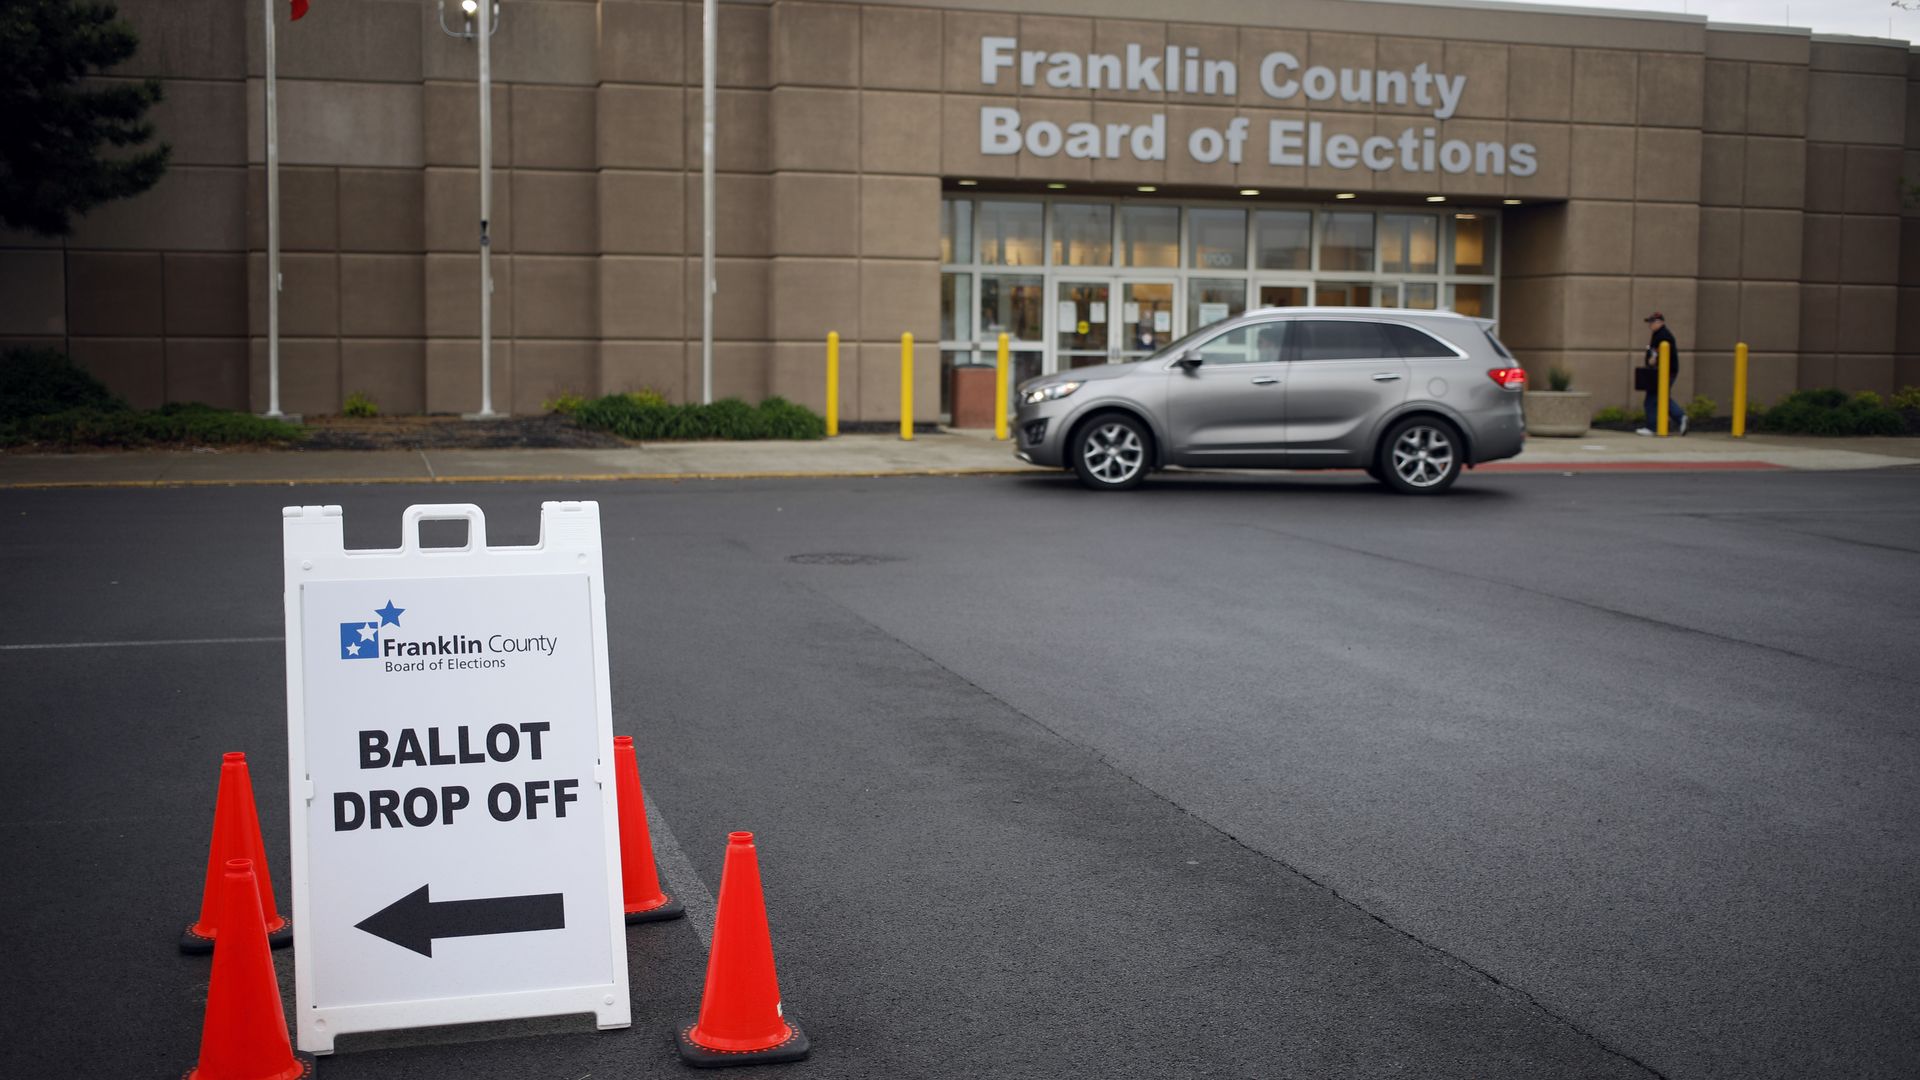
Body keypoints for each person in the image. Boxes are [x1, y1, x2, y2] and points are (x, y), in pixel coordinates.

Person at [1638, 312, 1687, 436]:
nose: (1650, 325)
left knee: (1651, 399)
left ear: (1661, 322)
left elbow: (1659, 352)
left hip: (1664, 372)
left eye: (1652, 322)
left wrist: (1654, 359)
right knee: (1661, 397)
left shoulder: (1663, 335)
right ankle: (1680, 417)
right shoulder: (1658, 334)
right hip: (1663, 372)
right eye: (1649, 322)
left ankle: (1652, 427)